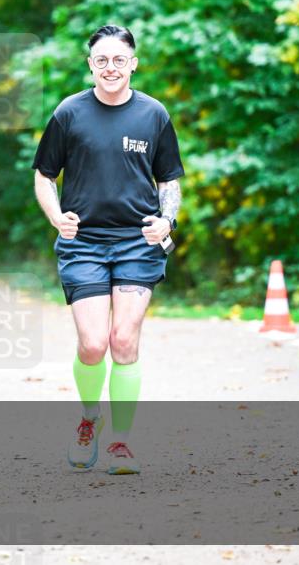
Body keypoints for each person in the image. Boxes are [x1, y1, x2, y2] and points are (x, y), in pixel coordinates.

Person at [32, 25, 184, 474]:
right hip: (84, 244)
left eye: (119, 59)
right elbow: (44, 175)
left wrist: (166, 220)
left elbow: (169, 179)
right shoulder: (68, 113)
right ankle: (88, 418)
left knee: (123, 339)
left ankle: (121, 442)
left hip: (138, 242)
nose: (111, 67)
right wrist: (56, 216)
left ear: (133, 63)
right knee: (94, 343)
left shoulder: (154, 114)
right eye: (102, 60)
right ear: (91, 65)